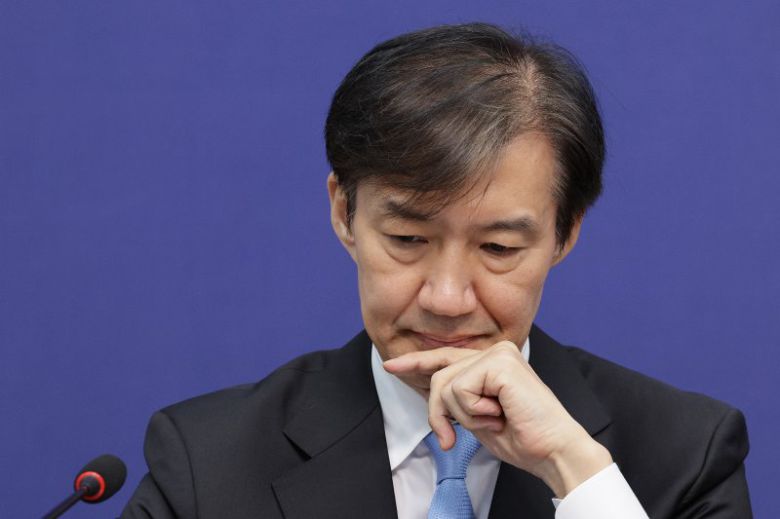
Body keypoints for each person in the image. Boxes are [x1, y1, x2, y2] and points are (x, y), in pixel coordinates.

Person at [121, 23, 751, 518]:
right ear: (343, 213)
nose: (448, 299)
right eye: (407, 239)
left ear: (565, 234)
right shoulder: (205, 462)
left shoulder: (685, 455)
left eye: (498, 248)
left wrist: (574, 471)